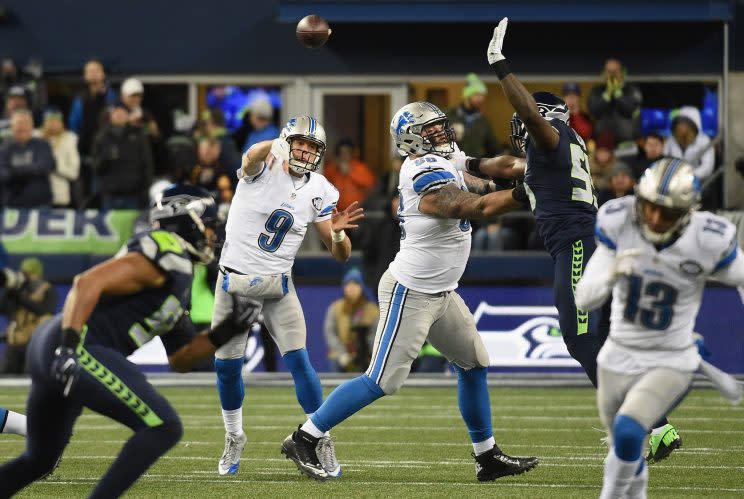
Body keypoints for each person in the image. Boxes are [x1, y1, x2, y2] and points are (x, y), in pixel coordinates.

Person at [280, 101, 536, 481]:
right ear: (412, 138)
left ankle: (487, 456)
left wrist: (538, 169)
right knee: (382, 380)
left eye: (439, 127)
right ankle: (304, 437)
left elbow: (493, 168)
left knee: (474, 363)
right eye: (431, 130)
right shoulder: (421, 170)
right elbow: (474, 205)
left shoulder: (446, 158)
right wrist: (525, 194)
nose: (442, 134)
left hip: (442, 291)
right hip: (412, 290)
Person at [487, 19, 681, 458]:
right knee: (607, 342)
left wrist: (501, 67)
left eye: (525, 121)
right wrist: (462, 162)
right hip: (590, 242)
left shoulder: (549, 139)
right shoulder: (557, 155)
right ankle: (661, 425)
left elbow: (531, 123)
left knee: (580, 340)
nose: (520, 131)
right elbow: (501, 175)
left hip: (578, 246)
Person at [0, 184, 261, 498]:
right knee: (163, 427)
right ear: (185, 220)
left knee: (39, 460)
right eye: (207, 224)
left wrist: (227, 330)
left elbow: (182, 358)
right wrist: (68, 348)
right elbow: (87, 282)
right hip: (76, 344)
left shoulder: (180, 270)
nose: (212, 234)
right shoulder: (164, 246)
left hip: (58, 344)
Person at [575, 158, 744, 497]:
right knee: (626, 448)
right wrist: (611, 273)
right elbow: (584, 300)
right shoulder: (618, 220)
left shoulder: (708, 237)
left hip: (671, 358)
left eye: (665, 213)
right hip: (617, 355)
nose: (654, 219)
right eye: (649, 208)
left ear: (687, 212)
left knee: (627, 430)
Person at [212, 115, 364, 477]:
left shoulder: (321, 189)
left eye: (313, 147)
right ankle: (234, 436)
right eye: (301, 143)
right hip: (235, 281)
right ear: (286, 141)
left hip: (278, 284)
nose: (307, 151)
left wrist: (339, 235)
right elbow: (249, 157)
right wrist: (271, 145)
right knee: (227, 369)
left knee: (300, 362)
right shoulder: (264, 166)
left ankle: (319, 437)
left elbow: (340, 253)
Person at [0, 257, 58, 373]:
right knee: (7, 376)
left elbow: (44, 311)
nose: (27, 277)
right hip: (14, 342)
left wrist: (21, 297)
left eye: (30, 274)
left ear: (38, 274)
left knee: (31, 376)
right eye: (24, 274)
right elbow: (3, 309)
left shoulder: (47, 290)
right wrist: (9, 291)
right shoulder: (18, 290)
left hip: (34, 342)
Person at [323, 267, 378, 372]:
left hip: (366, 356)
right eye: (348, 284)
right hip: (340, 355)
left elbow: (375, 335)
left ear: (362, 287)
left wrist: (367, 353)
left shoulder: (373, 310)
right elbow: (329, 333)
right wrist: (342, 353)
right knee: (335, 362)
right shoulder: (335, 308)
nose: (351, 287)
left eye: (355, 284)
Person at [0, 109, 55, 208]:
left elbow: (45, 166)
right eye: (19, 123)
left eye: (25, 123)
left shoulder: (43, 145)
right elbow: (3, 174)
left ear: (32, 126)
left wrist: (15, 172)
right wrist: (30, 170)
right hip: (11, 206)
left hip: (40, 206)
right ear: (12, 127)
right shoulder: (4, 148)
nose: (22, 127)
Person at [587, 58, 642, 145]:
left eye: (615, 71)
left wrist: (618, 94)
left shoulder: (631, 90)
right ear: (604, 73)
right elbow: (593, 110)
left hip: (626, 142)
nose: (612, 75)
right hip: (603, 144)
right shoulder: (596, 91)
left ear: (622, 73)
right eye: (609, 72)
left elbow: (631, 109)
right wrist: (607, 94)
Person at [445, 73, 502, 158]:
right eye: (477, 95)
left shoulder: (483, 121)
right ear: (468, 94)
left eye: (482, 96)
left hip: (473, 167)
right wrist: (449, 134)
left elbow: (493, 147)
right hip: (453, 165)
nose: (481, 99)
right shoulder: (449, 115)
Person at [42, 108, 81, 208]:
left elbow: (74, 173)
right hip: (37, 197)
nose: (53, 124)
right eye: (50, 121)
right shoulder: (36, 138)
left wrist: (56, 165)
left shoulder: (69, 140)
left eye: (56, 121)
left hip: (59, 197)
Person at [664, 106, 715, 180]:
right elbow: (663, 160)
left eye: (684, 122)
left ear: (693, 124)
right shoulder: (671, 140)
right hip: (673, 182)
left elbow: (707, 167)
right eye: (679, 122)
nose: (680, 125)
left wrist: (690, 175)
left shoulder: (704, 140)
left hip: (696, 183)